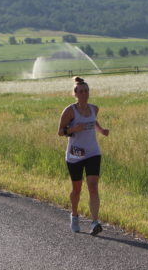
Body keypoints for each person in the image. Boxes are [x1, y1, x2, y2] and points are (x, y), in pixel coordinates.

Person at [58, 77, 110, 236]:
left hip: (93, 152)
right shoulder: (70, 111)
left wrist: (101, 131)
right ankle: (74, 216)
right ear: (75, 93)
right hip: (75, 155)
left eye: (86, 91)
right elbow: (60, 132)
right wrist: (73, 129)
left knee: (93, 186)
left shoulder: (94, 108)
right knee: (77, 189)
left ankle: (95, 222)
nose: (84, 94)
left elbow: (93, 122)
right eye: (80, 91)